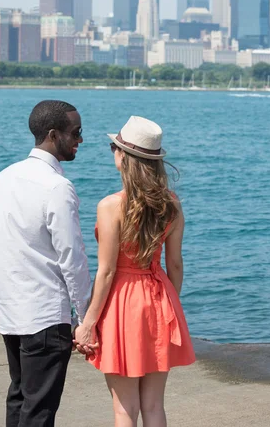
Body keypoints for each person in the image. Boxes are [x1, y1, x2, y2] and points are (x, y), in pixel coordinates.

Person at [75, 115, 196, 427]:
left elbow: (106, 272)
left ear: (124, 157)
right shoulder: (172, 204)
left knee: (124, 408)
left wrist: (88, 324)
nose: (112, 152)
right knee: (154, 405)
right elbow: (176, 264)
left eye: (113, 147)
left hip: (123, 303)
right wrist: (171, 305)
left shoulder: (110, 206)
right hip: (159, 297)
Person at [0, 100, 91, 427]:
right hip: (45, 316)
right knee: (39, 411)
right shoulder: (57, 187)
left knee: (19, 399)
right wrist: (85, 317)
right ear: (52, 134)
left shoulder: (3, 178)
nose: (80, 139)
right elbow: (72, 259)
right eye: (75, 132)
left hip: (10, 311)